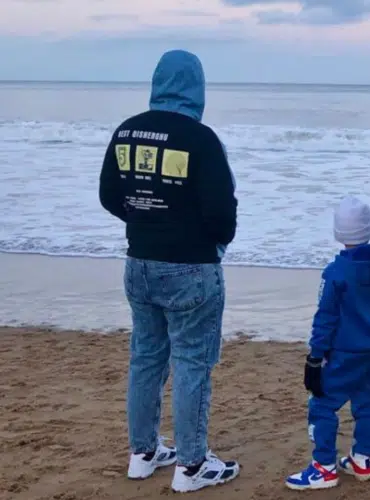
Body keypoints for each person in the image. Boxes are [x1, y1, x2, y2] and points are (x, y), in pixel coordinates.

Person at [98, 49, 240, 493]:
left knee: (145, 358)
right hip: (191, 267)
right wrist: (209, 240)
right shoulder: (200, 138)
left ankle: (142, 454)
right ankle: (192, 465)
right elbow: (222, 211)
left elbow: (108, 195)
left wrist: (146, 221)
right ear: (196, 88)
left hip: (139, 263)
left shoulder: (127, 131)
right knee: (192, 362)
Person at [284, 196, 370, 491]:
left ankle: (324, 467)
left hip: (343, 350)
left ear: (338, 232)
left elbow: (326, 319)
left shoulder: (336, 273)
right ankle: (362, 458)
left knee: (322, 405)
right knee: (366, 400)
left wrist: (315, 357)